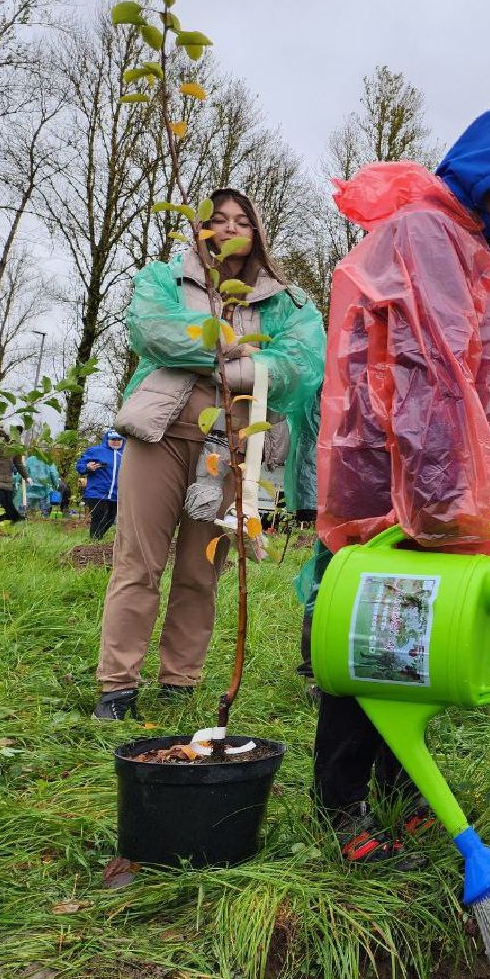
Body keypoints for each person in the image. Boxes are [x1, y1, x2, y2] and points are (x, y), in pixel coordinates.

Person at [310, 105, 490, 864]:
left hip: (428, 467)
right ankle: (341, 800)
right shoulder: (428, 235)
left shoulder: (455, 242)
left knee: (410, 636)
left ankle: (399, 787)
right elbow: (431, 371)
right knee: (366, 635)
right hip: (396, 469)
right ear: (486, 174)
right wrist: (442, 486)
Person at [92, 188, 326, 721]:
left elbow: (298, 366)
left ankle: (179, 680)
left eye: (242, 218)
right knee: (137, 561)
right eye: (216, 218)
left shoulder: (288, 303)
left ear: (258, 230)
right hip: (160, 432)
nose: (228, 227)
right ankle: (117, 684)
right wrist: (241, 348)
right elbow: (154, 333)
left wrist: (220, 359)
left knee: (202, 569)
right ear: (201, 228)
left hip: (232, 445)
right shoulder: (163, 279)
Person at [76, 431, 124, 539]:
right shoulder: (95, 451)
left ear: (123, 440)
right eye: (113, 439)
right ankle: (94, 540)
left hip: (117, 494)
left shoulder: (127, 454)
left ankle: (98, 538)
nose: (116, 442)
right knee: (98, 516)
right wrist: (87, 467)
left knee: (110, 519)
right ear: (107, 440)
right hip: (97, 493)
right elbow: (80, 465)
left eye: (118, 439)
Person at [24, 451, 61, 518]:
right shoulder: (48, 460)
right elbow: (54, 473)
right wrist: (56, 484)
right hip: (44, 489)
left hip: (30, 489)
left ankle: (27, 522)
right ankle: (45, 523)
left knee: (28, 510)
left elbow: (23, 473)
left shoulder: (29, 460)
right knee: (45, 511)